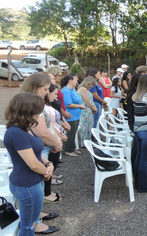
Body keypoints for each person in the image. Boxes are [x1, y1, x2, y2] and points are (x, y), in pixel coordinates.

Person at [4, 92, 59, 235]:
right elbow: (33, 163)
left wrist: (49, 165)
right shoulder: (17, 133)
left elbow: (36, 153)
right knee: (29, 225)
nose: (39, 113)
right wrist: (46, 171)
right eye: (37, 109)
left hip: (32, 182)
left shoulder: (26, 128)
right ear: (28, 110)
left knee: (31, 221)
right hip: (27, 185)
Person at [20, 73, 63, 204]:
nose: (46, 92)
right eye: (44, 89)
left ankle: (38, 211)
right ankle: (37, 214)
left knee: (41, 178)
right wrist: (56, 142)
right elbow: (42, 131)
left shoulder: (33, 102)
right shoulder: (31, 105)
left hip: (41, 146)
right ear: (35, 87)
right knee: (38, 180)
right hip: (39, 146)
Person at [61, 75, 86, 156]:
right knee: (70, 133)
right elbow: (68, 104)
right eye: (75, 80)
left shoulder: (72, 89)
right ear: (70, 81)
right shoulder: (66, 91)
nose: (77, 82)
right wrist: (80, 106)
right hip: (71, 116)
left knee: (73, 132)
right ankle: (67, 150)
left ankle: (72, 148)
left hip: (76, 115)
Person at [77, 76, 98, 147]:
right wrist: (92, 108)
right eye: (91, 84)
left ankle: (88, 141)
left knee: (89, 126)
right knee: (85, 127)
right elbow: (86, 100)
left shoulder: (87, 89)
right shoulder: (83, 89)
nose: (91, 86)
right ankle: (84, 142)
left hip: (88, 110)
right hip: (85, 110)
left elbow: (91, 100)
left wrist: (94, 108)